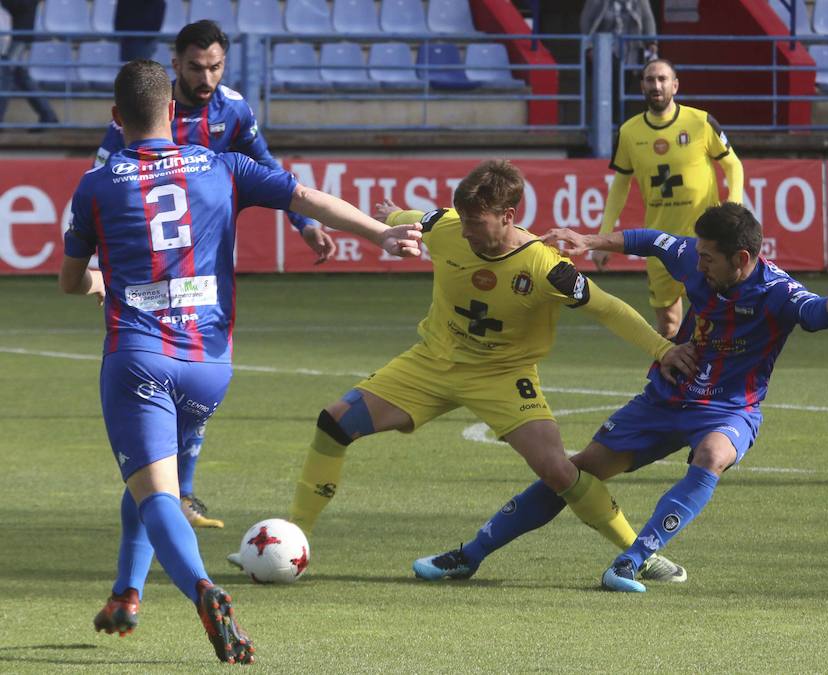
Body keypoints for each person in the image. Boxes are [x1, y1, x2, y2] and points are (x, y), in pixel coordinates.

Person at [59, 60, 421, 662]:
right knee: (155, 477)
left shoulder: (96, 185)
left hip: (139, 358)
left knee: (155, 495)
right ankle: (127, 591)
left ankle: (203, 590)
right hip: (210, 365)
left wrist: (99, 280)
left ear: (116, 118)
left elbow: (71, 280)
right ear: (173, 113)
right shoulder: (221, 166)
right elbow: (304, 196)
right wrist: (380, 236)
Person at [241, 161, 698, 583]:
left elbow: (609, 308)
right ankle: (292, 540)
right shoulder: (449, 227)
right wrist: (396, 213)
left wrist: (661, 348)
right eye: (464, 219)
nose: (468, 233)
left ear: (509, 215)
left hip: (503, 374)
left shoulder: (546, 267)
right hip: (433, 361)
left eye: (477, 223)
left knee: (558, 471)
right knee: (334, 423)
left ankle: (642, 554)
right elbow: (419, 219)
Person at [413, 202, 828, 591]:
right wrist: (590, 241)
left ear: (742, 258)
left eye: (709, 257)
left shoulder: (776, 291)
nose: (699, 262)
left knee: (711, 455)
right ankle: (469, 556)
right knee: (573, 473)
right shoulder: (696, 257)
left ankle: (632, 559)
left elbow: (815, 315)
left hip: (729, 407)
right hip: (665, 398)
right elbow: (651, 239)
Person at [94, 20, 337, 529]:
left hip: (204, 267)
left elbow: (267, 166)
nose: (206, 77)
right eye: (196, 67)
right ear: (176, 63)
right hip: (147, 272)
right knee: (163, 375)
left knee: (198, 383)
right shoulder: (144, 109)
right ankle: (168, 490)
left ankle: (178, 493)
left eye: (215, 66)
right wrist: (98, 268)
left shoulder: (234, 110)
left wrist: (305, 223)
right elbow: (100, 187)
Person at [594, 59, 744, 339]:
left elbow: (733, 165)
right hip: (660, 242)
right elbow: (620, 185)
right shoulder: (629, 132)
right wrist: (604, 237)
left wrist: (733, 207)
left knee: (714, 319)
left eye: (663, 79)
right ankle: (674, 379)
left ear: (675, 85)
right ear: (642, 86)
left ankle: (711, 379)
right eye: (650, 80)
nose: (656, 85)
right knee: (667, 326)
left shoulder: (700, 122)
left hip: (704, 240)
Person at [580, 0, 657, 123]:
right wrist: (589, 48)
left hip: (630, 52)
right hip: (604, 51)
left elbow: (647, 19)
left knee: (623, 89)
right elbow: (586, 21)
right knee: (610, 89)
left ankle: (619, 126)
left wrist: (651, 42)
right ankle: (608, 125)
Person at [0, 0, 59, 126]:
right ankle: (48, 115)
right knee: (20, 76)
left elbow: (20, 5)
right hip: (14, 35)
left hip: (20, 36)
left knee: (5, 72)